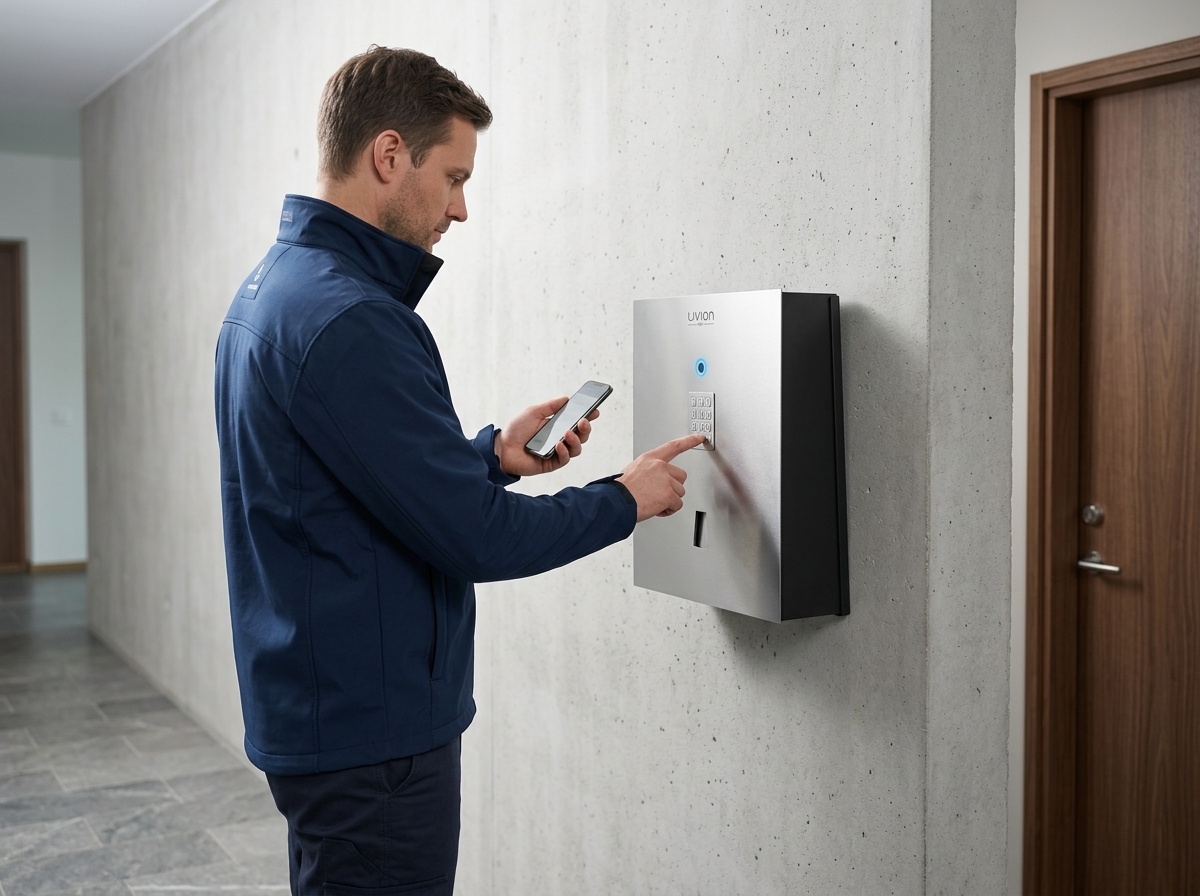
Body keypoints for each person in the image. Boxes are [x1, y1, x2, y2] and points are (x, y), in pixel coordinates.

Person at [214, 46, 702, 895]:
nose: (463, 209)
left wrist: (486, 457)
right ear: (389, 154)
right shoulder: (353, 319)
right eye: (453, 176)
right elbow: (474, 539)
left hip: (322, 709)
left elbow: (339, 483)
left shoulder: (273, 291)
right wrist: (624, 500)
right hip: (376, 741)